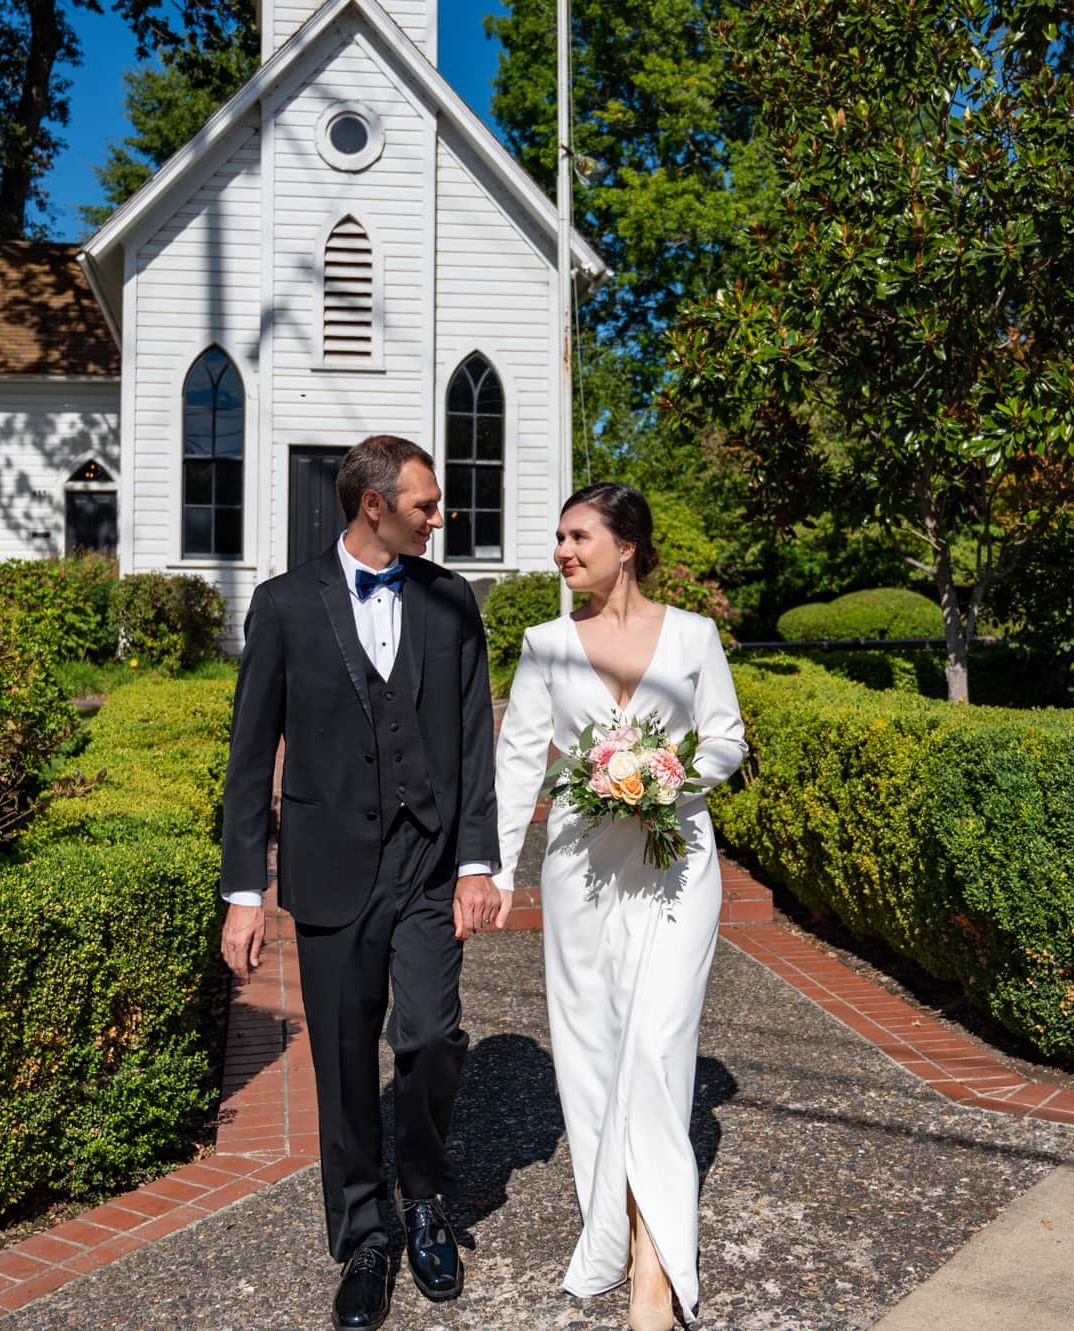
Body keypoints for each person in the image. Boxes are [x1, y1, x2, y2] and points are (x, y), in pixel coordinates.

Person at [219, 435, 511, 1330]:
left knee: (428, 1037)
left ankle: (423, 1195)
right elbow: (248, 750)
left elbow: (471, 742)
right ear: (373, 505)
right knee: (345, 1064)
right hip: (329, 864)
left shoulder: (452, 600)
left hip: (426, 863)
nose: (440, 516)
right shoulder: (282, 606)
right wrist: (244, 889)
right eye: (425, 503)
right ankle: (364, 1234)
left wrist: (475, 861)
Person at [492, 483, 747, 1330]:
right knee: (595, 1054)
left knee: (660, 1044)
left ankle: (653, 1265)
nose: (562, 552)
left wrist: (672, 777)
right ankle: (615, 1227)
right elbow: (521, 756)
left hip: (679, 869)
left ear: (626, 546)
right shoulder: (544, 643)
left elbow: (726, 735)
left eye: (577, 536)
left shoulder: (694, 635)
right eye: (559, 537)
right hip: (580, 875)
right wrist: (494, 873)